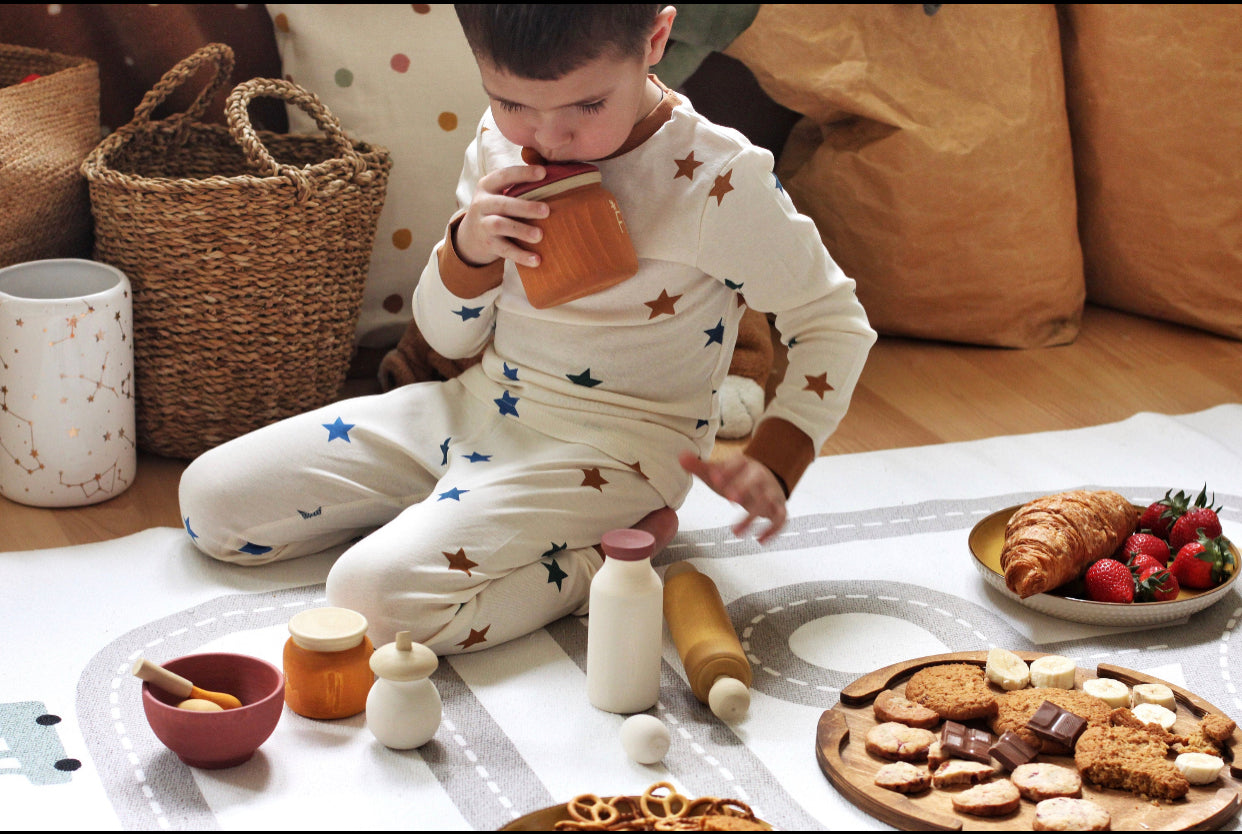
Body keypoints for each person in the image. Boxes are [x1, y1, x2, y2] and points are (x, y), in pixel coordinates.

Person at [178, 4, 876, 654]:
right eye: (512, 101)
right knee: (209, 502)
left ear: (655, 41)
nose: (546, 135)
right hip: (479, 401)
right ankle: (449, 520)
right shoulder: (497, 144)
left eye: (587, 105)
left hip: (622, 448)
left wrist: (781, 454)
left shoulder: (721, 181)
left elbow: (835, 322)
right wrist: (469, 250)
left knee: (370, 601)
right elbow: (447, 342)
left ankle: (604, 556)